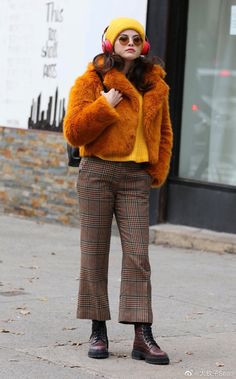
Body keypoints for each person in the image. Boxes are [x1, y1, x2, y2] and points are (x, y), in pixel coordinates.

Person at [63, 17, 173, 365]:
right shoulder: (92, 81)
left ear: (144, 45)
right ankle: (98, 330)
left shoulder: (156, 86)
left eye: (136, 38)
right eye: (122, 38)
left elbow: (165, 133)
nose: (130, 42)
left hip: (134, 178)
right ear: (110, 44)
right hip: (97, 172)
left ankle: (143, 335)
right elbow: (74, 132)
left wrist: (156, 171)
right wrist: (104, 106)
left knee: (138, 256)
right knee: (94, 254)